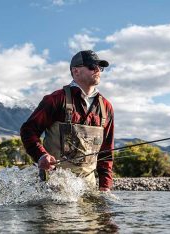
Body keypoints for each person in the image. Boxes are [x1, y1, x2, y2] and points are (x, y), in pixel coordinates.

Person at [20, 50, 114, 191]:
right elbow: (28, 131)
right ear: (75, 71)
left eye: (100, 67)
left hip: (88, 186)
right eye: (92, 67)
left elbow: (106, 152)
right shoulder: (56, 99)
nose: (97, 70)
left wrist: (105, 187)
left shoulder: (106, 107)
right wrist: (41, 156)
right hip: (53, 186)